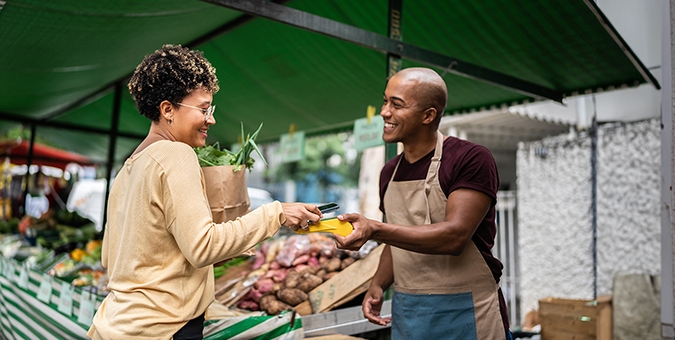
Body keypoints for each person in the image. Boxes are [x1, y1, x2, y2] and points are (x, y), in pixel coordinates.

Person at [87, 45, 322, 340]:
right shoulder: (176, 155)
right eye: (203, 108)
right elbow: (202, 247)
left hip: (118, 325)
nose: (210, 119)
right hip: (163, 329)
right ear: (167, 110)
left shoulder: (129, 169)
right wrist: (277, 213)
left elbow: (112, 258)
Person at [335, 67, 511, 339]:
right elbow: (398, 239)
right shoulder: (389, 172)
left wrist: (375, 229)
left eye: (397, 104)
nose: (384, 112)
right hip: (409, 311)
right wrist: (378, 284)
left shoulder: (470, 159)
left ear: (428, 115)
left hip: (467, 311)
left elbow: (454, 237)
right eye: (385, 101)